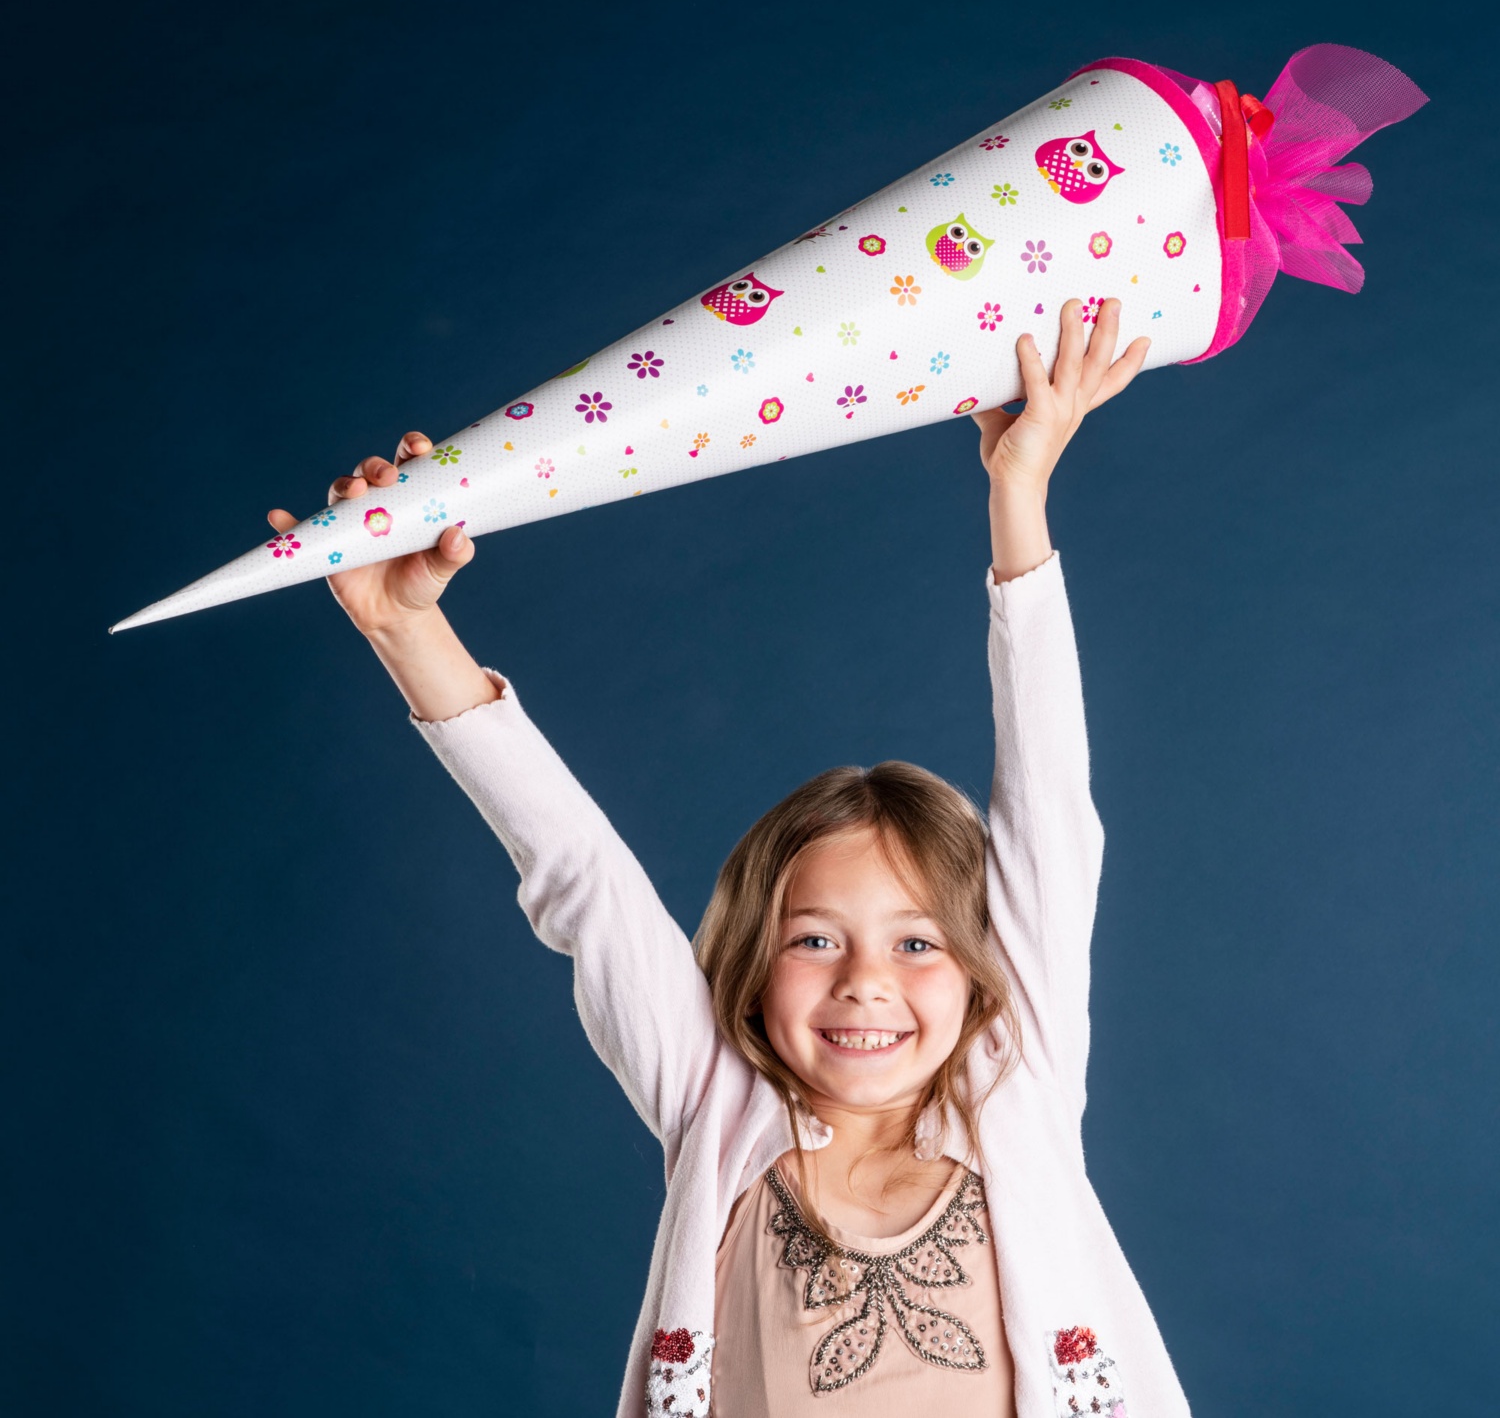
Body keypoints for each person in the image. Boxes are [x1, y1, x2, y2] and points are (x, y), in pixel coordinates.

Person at [267, 300, 1184, 1418]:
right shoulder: (719, 1109)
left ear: (981, 967)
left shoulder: (1017, 1084)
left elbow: (1051, 809)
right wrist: (407, 630)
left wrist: (1019, 493)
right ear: (750, 965)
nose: (865, 982)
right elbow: (581, 879)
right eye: (815, 940)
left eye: (915, 943)